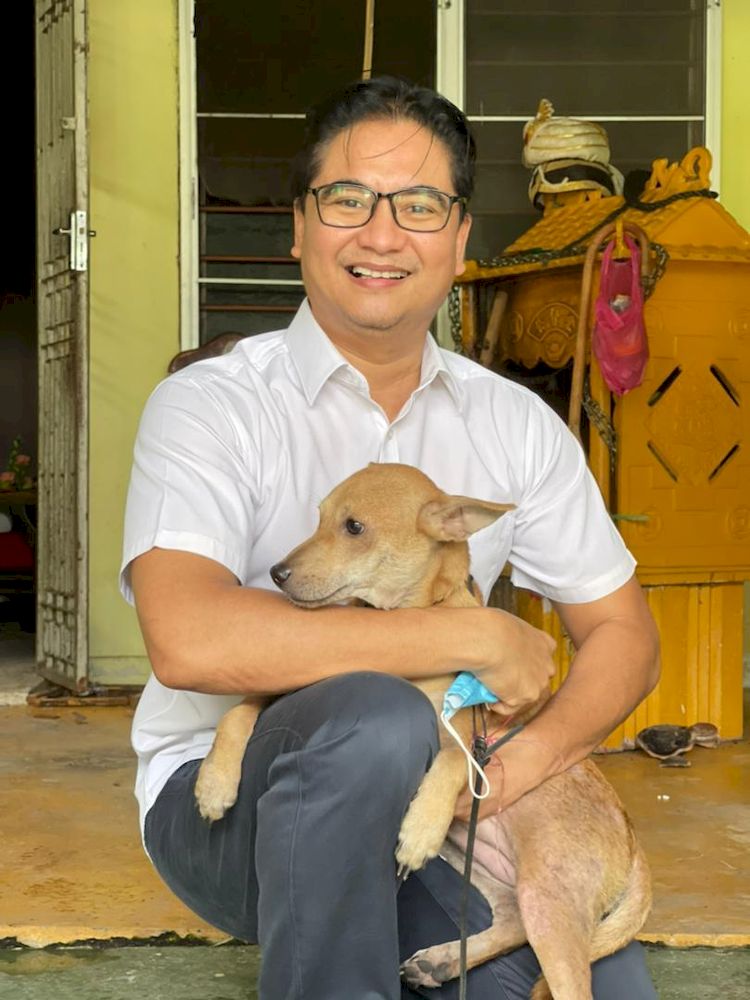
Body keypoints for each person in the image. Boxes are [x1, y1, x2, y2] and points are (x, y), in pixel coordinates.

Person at [121, 76, 660, 1000]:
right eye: (346, 200)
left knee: (596, 986)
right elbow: (189, 640)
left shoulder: (517, 426)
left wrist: (513, 769)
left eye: (418, 205)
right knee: (375, 716)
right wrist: (475, 635)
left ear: (457, 238)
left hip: (441, 811)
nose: (380, 235)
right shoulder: (210, 407)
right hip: (231, 809)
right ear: (299, 226)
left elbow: (626, 635)